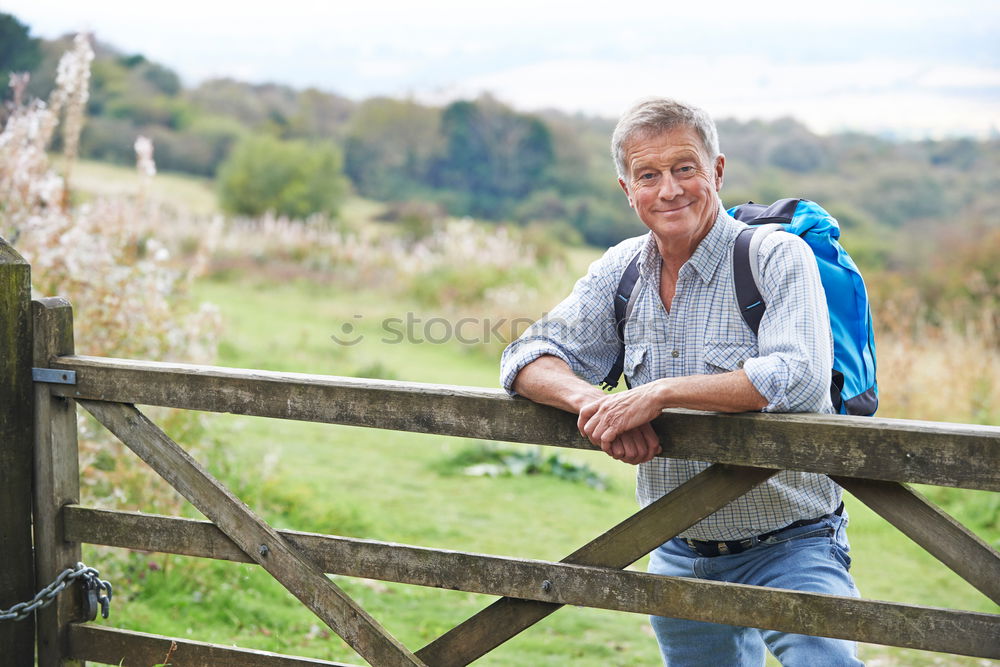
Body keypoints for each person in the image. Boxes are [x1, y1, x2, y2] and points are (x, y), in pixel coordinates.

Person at [499, 97, 863, 666]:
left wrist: (658, 394)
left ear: (716, 171)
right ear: (627, 188)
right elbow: (526, 356)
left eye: (684, 168)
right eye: (649, 175)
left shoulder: (775, 257)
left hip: (794, 545)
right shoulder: (621, 269)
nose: (669, 189)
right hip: (675, 545)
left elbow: (794, 374)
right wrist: (598, 405)